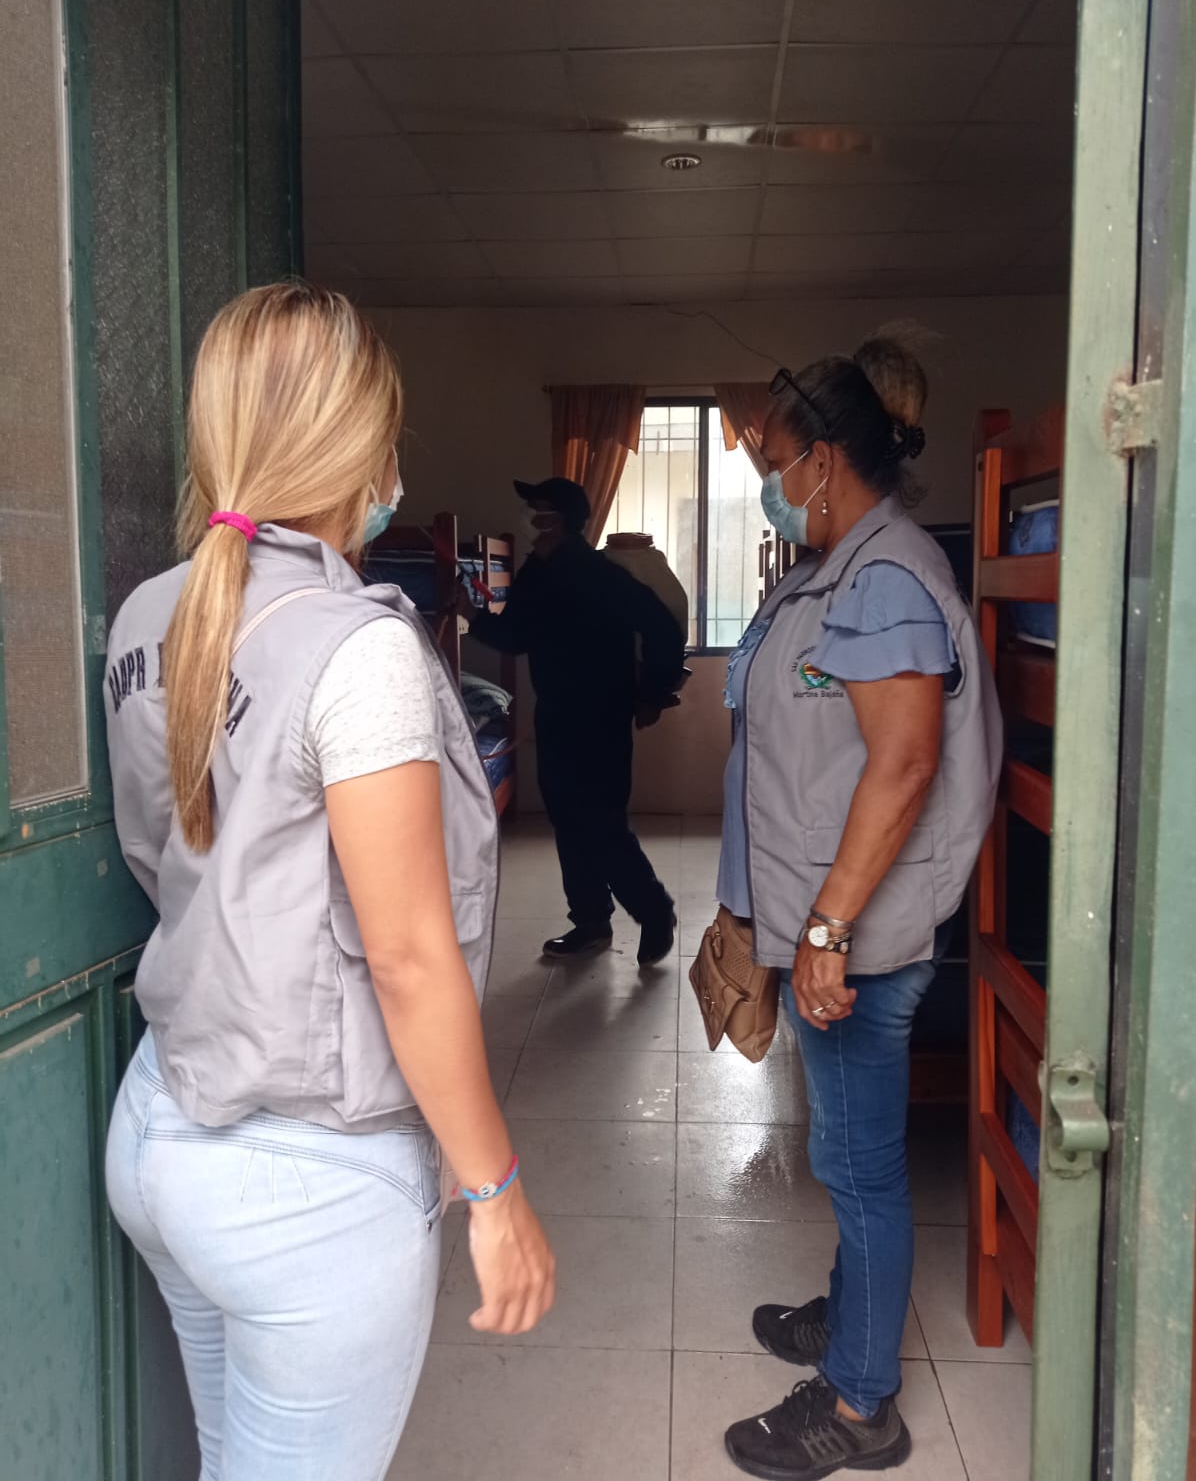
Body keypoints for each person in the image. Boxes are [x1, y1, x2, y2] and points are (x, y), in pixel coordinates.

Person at [103, 282, 554, 1481]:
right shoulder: (359, 649)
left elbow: (157, 857)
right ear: (358, 448)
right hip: (304, 1185)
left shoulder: (144, 616)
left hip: (159, 1126)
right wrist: (496, 1189)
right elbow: (407, 959)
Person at [717, 338, 1001, 1480]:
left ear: (825, 461)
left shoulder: (883, 577)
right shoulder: (837, 565)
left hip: (859, 941)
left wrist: (827, 928)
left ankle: (859, 1403)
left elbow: (904, 762)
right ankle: (851, 1321)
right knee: (851, 1152)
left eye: (778, 461)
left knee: (859, 1167)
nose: (772, 481)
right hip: (827, 924)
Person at [464, 477, 685, 965]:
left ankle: (654, 912)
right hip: (557, 714)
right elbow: (516, 636)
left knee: (601, 823)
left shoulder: (597, 573)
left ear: (559, 519)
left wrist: (652, 692)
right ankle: (590, 921)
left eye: (538, 509)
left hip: (600, 717)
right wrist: (474, 616)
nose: (529, 518)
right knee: (567, 820)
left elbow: (663, 628)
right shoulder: (536, 572)